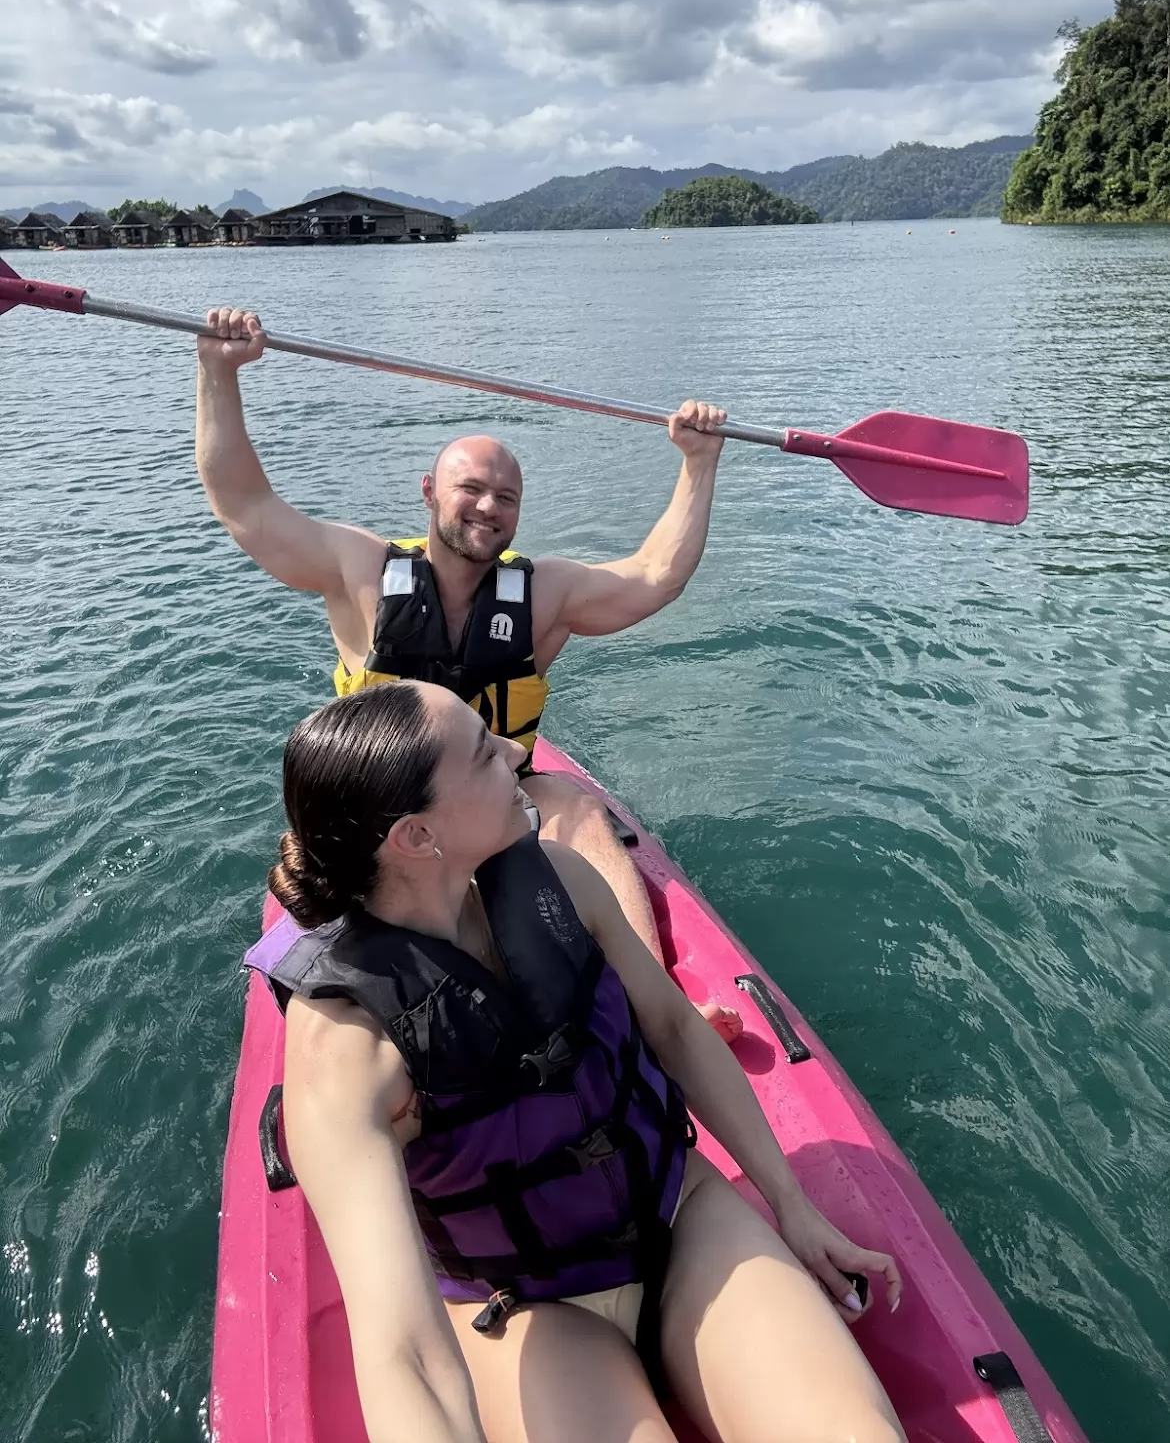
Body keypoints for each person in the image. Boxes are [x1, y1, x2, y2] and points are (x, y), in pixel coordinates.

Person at [251, 680, 906, 1443]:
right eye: (483, 752)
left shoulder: (559, 880)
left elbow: (673, 1027)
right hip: (523, 1306)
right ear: (418, 838)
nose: (515, 752)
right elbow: (404, 1350)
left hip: (677, 1216)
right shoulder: (345, 1044)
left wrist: (790, 1204)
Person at [197, 305, 743, 1039]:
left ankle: (657, 1009)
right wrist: (218, 373)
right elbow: (245, 503)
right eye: (471, 488)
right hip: (386, 818)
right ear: (429, 491)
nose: (488, 507)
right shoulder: (359, 571)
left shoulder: (544, 594)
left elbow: (655, 575)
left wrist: (698, 463)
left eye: (506, 497)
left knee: (577, 809)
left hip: (496, 797)